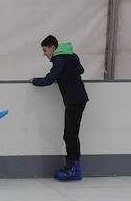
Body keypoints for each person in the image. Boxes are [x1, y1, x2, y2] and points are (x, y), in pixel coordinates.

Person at [30, 35, 89, 181]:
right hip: (78, 99)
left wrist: (34, 81)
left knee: (71, 135)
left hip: (74, 100)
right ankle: (71, 166)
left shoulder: (59, 59)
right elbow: (80, 70)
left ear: (53, 48)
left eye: (45, 50)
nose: (44, 53)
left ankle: (75, 169)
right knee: (69, 134)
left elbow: (48, 79)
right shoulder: (71, 56)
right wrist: (62, 77)